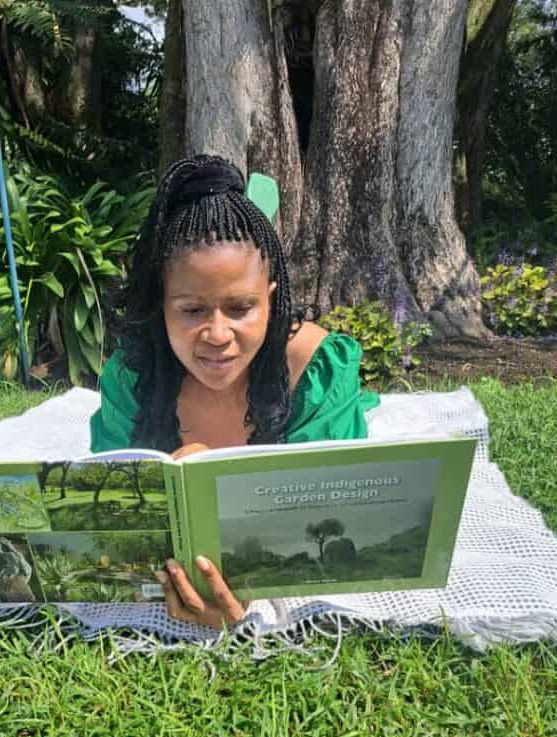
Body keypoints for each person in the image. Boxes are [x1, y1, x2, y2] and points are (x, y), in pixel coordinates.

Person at [90, 154, 379, 629]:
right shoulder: (133, 376)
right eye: (190, 310)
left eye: (241, 307)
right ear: (162, 305)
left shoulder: (314, 369)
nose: (218, 334)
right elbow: (114, 504)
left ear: (271, 295)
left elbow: (329, 505)